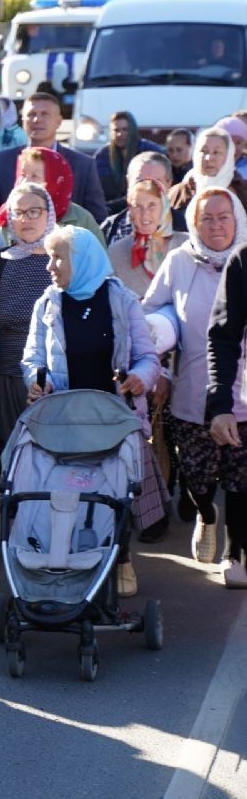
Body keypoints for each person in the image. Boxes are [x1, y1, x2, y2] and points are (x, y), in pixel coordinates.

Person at [23, 225, 160, 597]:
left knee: (116, 491)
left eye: (58, 257)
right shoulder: (47, 304)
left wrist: (138, 378)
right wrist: (36, 381)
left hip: (113, 417)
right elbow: (33, 357)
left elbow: (149, 359)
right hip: (65, 418)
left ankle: (122, 557)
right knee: (67, 490)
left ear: (81, 261)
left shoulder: (122, 300)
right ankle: (63, 559)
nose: (50, 266)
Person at [144, 186, 247, 582]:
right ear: (194, 222)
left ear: (237, 218)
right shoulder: (179, 262)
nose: (216, 225)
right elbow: (151, 315)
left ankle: (235, 555)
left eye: (224, 217)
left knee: (240, 482)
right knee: (198, 477)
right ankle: (206, 514)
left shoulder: (242, 261)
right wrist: (164, 369)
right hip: (192, 392)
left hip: (241, 395)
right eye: (207, 218)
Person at [0, 183, 56, 523]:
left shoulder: (63, 258)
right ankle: (19, 534)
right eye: (19, 212)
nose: (26, 219)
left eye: (34, 211)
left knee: (53, 460)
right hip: (9, 377)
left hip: (56, 380)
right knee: (16, 461)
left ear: (50, 214)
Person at [0, 92, 107, 220]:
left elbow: (98, 218)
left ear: (59, 121)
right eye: (31, 115)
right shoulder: (1, 162)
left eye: (45, 114)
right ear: (22, 120)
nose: (37, 119)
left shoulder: (83, 165)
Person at [107, 175, 185, 296]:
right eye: (137, 206)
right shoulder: (116, 253)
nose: (145, 214)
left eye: (152, 205)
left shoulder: (186, 246)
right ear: (130, 210)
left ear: (164, 206)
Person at [9, 146, 103, 241]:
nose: (26, 181)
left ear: (55, 181)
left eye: (35, 176)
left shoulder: (81, 219)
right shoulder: (7, 216)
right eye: (23, 175)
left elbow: (97, 254)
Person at [97, 112, 164, 217]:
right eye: (116, 130)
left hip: (144, 208)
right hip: (107, 211)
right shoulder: (102, 155)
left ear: (132, 130)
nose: (120, 134)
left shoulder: (149, 151)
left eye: (125, 129)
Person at [169, 126, 247, 212]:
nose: (209, 158)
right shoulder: (178, 193)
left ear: (228, 156)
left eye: (216, 152)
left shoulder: (242, 192)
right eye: (204, 151)